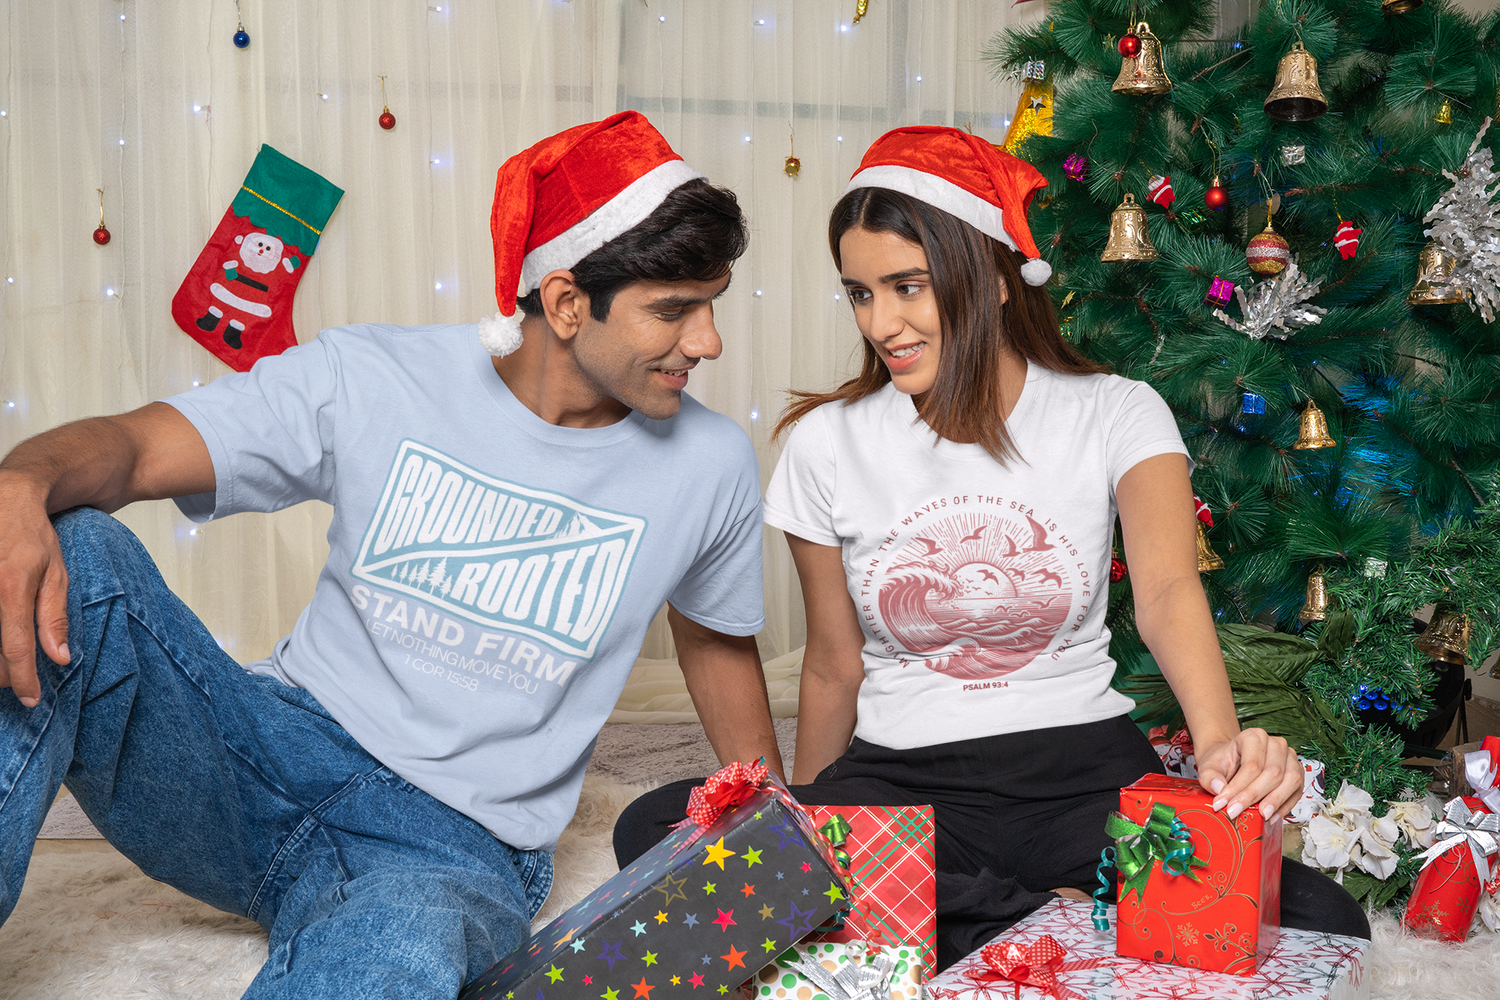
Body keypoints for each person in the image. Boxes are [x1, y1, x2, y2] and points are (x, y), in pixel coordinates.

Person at [0, 111, 782, 999]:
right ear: (567, 302)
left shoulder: (711, 462)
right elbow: (138, 449)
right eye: (674, 310)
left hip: (449, 844)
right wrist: (20, 483)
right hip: (262, 755)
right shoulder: (373, 376)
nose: (707, 341)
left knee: (397, 945)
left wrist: (781, 839)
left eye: (712, 305)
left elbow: (715, 642)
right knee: (72, 549)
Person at [612, 125, 1369, 969]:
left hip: (1085, 777)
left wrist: (1222, 749)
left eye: (908, 286)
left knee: (1320, 920)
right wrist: (811, 823)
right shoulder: (827, 442)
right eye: (860, 293)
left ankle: (964, 928)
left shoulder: (1117, 411)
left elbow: (1164, 594)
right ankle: (1054, 924)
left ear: (997, 279)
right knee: (658, 828)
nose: (882, 323)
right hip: (904, 781)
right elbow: (832, 662)